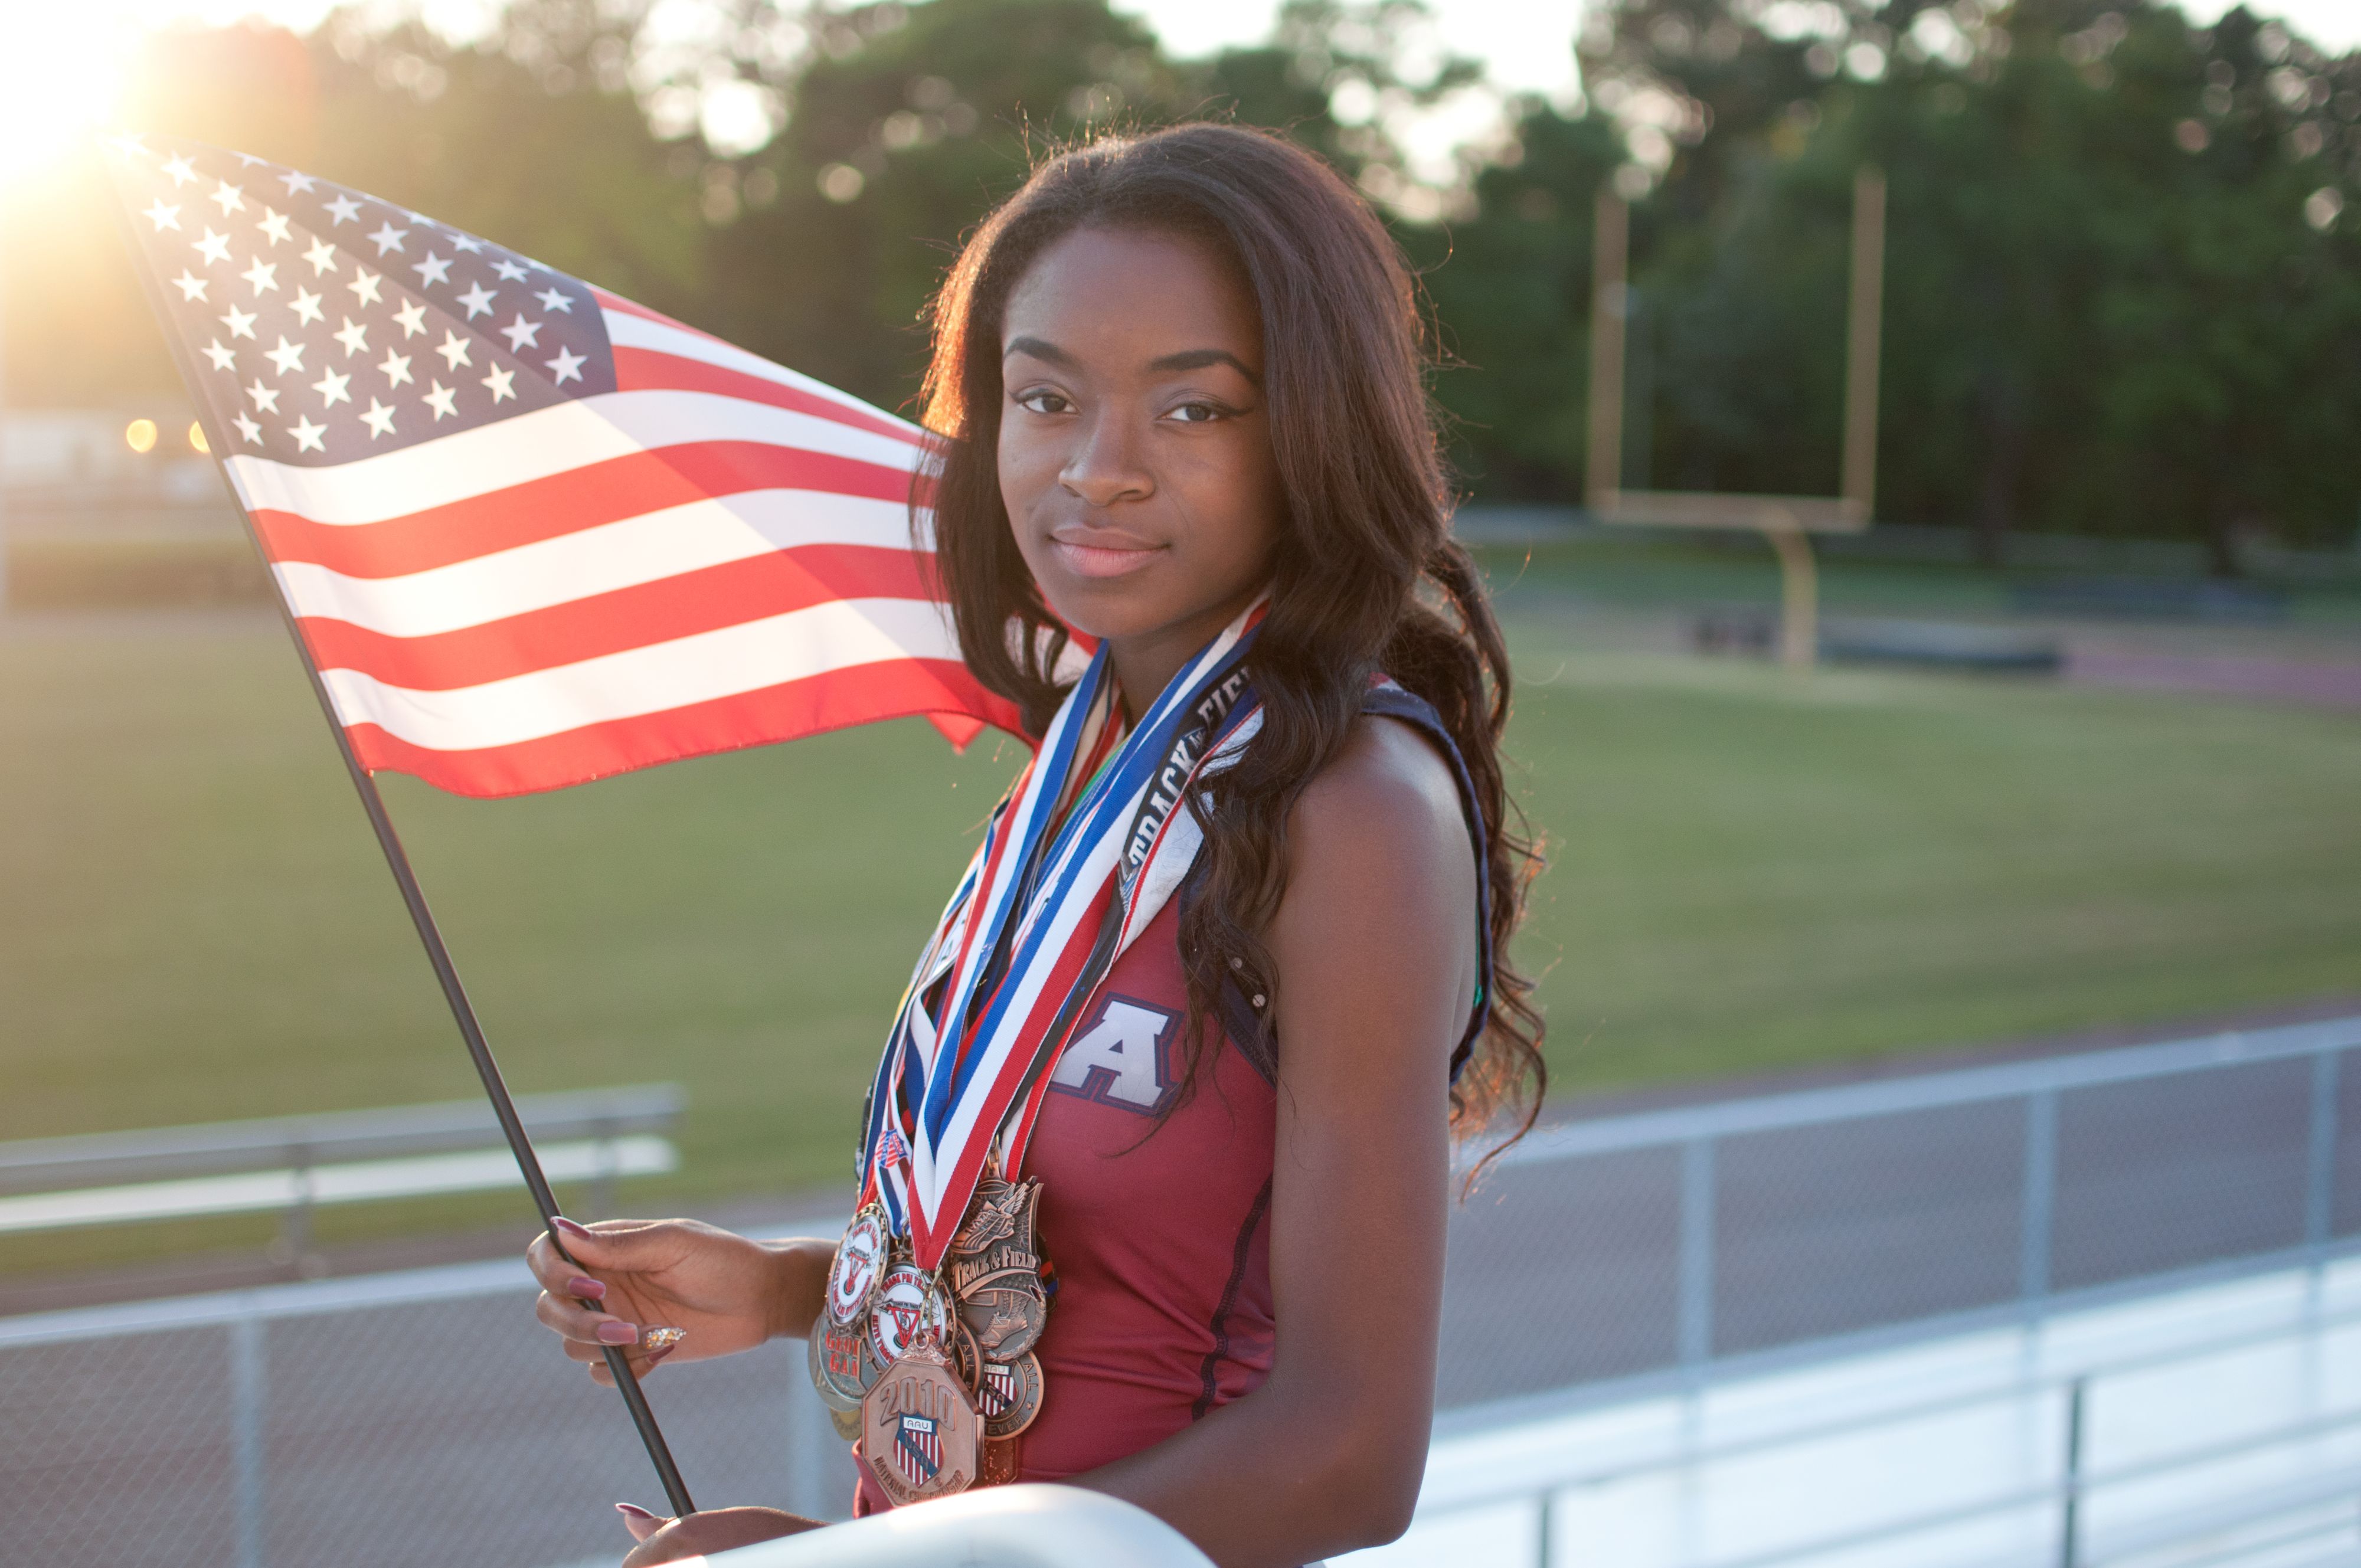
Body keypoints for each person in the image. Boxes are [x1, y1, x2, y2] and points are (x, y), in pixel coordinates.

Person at [527, 121, 1544, 1568]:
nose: (1101, 470)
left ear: (1312, 425)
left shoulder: (1349, 809)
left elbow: (1345, 1455)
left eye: (1193, 411)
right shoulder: (1092, 757)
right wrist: (786, 1289)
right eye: (1045, 397)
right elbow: (1105, 1267)